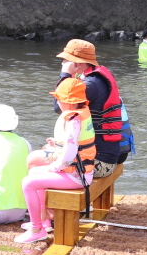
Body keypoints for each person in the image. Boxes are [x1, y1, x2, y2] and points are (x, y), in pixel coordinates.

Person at [18, 78, 95, 244]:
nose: (57, 101)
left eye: (58, 99)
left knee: (28, 183)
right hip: (80, 171)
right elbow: (74, 145)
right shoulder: (80, 114)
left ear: (67, 102)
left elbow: (70, 153)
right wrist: (57, 145)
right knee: (34, 173)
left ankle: (36, 229)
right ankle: (43, 222)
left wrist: (54, 167)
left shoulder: (73, 119)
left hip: (77, 176)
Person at [52, 39, 131, 178]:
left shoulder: (90, 84)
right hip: (110, 155)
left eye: (65, 60)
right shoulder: (96, 77)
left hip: (100, 163)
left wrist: (65, 74)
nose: (62, 63)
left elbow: (58, 107)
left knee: (35, 159)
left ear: (76, 63)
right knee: (49, 149)